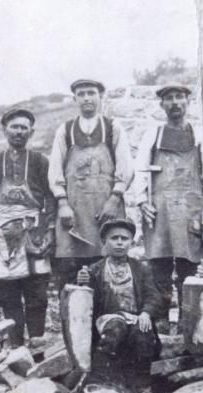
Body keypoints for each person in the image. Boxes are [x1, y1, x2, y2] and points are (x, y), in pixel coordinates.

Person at [133, 83, 203, 322]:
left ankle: (187, 322)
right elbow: (140, 169)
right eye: (169, 98)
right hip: (159, 210)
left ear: (188, 101)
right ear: (162, 104)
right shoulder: (153, 135)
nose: (175, 103)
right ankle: (160, 322)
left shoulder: (201, 136)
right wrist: (141, 201)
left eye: (179, 97)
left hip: (191, 209)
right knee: (159, 267)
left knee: (187, 267)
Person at [0, 108, 56, 348]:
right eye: (14, 127)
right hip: (2, 236)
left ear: (31, 132)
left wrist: (50, 228)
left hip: (34, 233)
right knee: (9, 297)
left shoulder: (40, 162)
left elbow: (51, 198)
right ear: (5, 130)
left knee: (37, 296)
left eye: (24, 128)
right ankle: (16, 349)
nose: (19, 132)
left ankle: (37, 347)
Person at [49, 79, 133, 290]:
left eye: (91, 93)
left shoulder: (113, 128)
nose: (86, 98)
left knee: (106, 274)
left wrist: (114, 199)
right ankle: (71, 311)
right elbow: (55, 170)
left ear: (100, 96)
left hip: (106, 211)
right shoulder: (65, 130)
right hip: (73, 213)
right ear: (75, 99)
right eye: (81, 94)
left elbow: (126, 168)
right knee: (70, 275)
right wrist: (63, 203)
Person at [76, 218, 162, 393]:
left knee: (143, 332)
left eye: (125, 238)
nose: (120, 243)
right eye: (114, 238)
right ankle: (98, 381)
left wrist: (146, 313)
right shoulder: (95, 270)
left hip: (136, 317)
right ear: (104, 242)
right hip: (107, 319)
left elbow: (153, 296)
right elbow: (84, 302)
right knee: (115, 328)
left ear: (131, 242)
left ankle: (142, 386)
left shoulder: (140, 268)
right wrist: (83, 283)